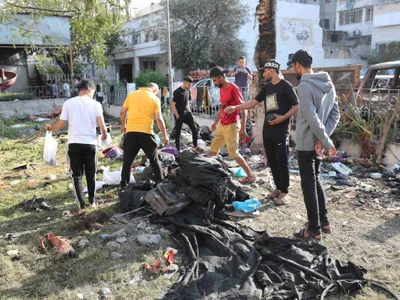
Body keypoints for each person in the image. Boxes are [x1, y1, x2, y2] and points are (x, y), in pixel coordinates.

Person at [225, 59, 299, 205]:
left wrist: (282, 118)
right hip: (268, 129)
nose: (263, 74)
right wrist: (235, 108)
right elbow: (253, 103)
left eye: (265, 71)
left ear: (272, 70)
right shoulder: (267, 88)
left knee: (282, 160)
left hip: (280, 130)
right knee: (271, 160)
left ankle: (284, 192)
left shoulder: (285, 86)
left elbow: (296, 106)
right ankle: (278, 188)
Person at [288, 49, 340, 240]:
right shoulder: (329, 84)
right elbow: (335, 115)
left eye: (293, 66)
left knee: (308, 184)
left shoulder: (304, 86)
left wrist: (324, 140)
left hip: (305, 144)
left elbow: (311, 116)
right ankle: (323, 222)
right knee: (315, 180)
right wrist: (323, 138)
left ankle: (313, 229)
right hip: (316, 143)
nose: (294, 70)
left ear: (297, 65)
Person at [45, 80, 107, 216]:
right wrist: (104, 135)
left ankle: (81, 207)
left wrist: (50, 128)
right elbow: (102, 126)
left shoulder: (69, 103)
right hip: (90, 144)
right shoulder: (96, 104)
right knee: (91, 174)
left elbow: (60, 125)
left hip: (74, 144)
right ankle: (93, 201)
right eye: (93, 92)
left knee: (76, 176)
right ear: (90, 89)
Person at [209, 66, 256, 184]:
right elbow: (223, 107)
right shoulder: (221, 89)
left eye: (215, 80)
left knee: (234, 154)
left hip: (232, 125)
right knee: (213, 150)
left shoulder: (233, 88)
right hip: (222, 124)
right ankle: (212, 174)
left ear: (220, 78)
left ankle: (250, 175)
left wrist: (243, 128)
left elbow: (244, 108)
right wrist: (216, 122)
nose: (214, 83)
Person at [119, 83, 169, 188]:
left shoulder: (132, 95)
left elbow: (122, 112)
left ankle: (124, 186)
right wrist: (165, 136)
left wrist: (124, 125)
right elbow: (159, 119)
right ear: (155, 90)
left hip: (131, 132)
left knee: (128, 161)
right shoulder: (154, 99)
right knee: (154, 160)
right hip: (146, 133)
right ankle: (161, 184)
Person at [172, 76, 198, 151]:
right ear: (185, 83)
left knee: (194, 128)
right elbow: (173, 105)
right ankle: (177, 149)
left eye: (190, 85)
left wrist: (190, 112)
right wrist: (177, 115)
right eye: (189, 85)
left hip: (187, 113)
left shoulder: (188, 91)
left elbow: (187, 103)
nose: (190, 86)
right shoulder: (177, 92)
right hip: (179, 114)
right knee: (178, 132)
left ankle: (195, 146)